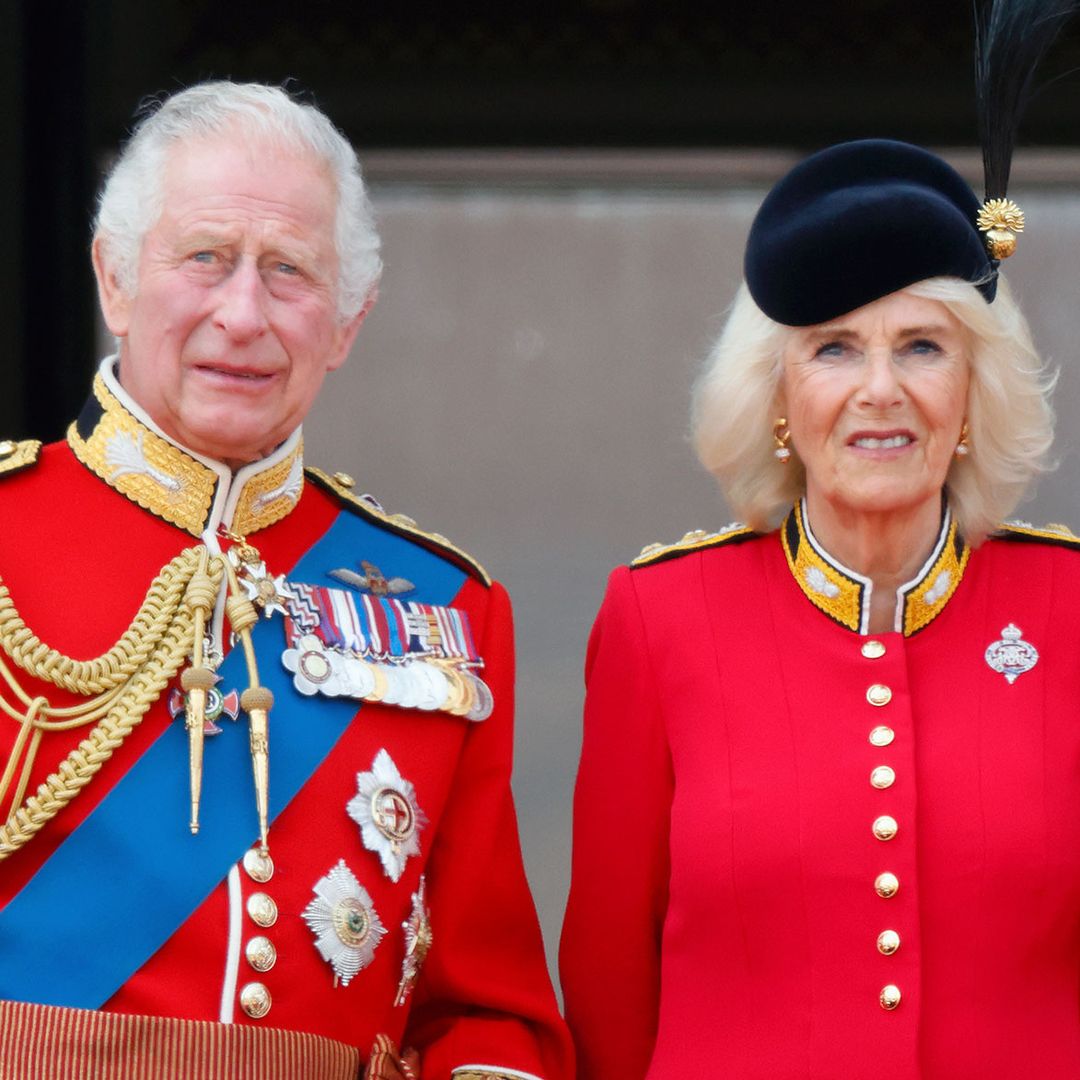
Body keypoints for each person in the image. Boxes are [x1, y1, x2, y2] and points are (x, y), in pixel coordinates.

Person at [0, 82, 571, 1080]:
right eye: (206, 258)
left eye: (289, 273)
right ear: (116, 279)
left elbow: (485, 1015)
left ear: (348, 322)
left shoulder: (440, 608)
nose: (243, 313)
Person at [559, 2, 1079, 1076]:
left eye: (923, 346)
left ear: (973, 394)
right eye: (834, 349)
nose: (880, 392)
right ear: (781, 400)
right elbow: (607, 1004)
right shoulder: (660, 623)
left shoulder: (1069, 613)